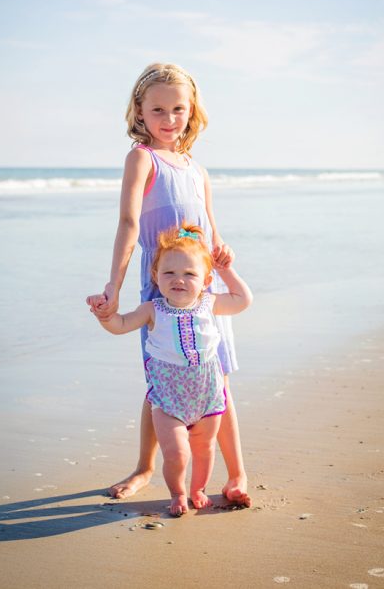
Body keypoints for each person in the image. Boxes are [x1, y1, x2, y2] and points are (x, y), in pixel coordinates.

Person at [86, 62, 251, 507]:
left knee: (218, 379)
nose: (169, 118)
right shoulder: (143, 158)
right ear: (139, 111)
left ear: (191, 111)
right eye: (158, 108)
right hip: (163, 288)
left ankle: (237, 475)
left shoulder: (197, 169)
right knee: (161, 383)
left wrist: (223, 250)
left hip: (204, 288)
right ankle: (144, 468)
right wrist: (114, 286)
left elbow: (212, 230)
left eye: (179, 108)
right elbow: (128, 222)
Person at [91, 224, 252, 516]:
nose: (178, 280)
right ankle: (178, 493)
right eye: (169, 273)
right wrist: (105, 314)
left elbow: (243, 300)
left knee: (204, 450)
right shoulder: (152, 309)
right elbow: (120, 325)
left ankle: (198, 489)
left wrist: (224, 269)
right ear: (156, 276)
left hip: (207, 397)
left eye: (189, 274)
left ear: (205, 280)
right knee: (177, 452)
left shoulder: (209, 303)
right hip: (168, 401)